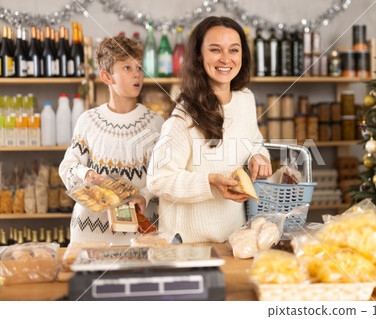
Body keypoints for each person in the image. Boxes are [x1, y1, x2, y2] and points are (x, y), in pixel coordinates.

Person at [147, 16, 272, 243]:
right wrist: (211, 182)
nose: (226, 59)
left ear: (243, 55)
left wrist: (259, 155)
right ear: (198, 56)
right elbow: (157, 179)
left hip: (233, 237)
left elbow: (254, 141)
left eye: (234, 50)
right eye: (215, 50)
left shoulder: (245, 99)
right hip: (187, 243)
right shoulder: (184, 115)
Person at [59, 36, 164, 244]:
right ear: (106, 77)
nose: (137, 74)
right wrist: (86, 173)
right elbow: (67, 166)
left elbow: (162, 173)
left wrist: (144, 195)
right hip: (89, 233)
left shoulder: (156, 123)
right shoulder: (88, 121)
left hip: (139, 233)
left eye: (140, 67)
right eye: (127, 68)